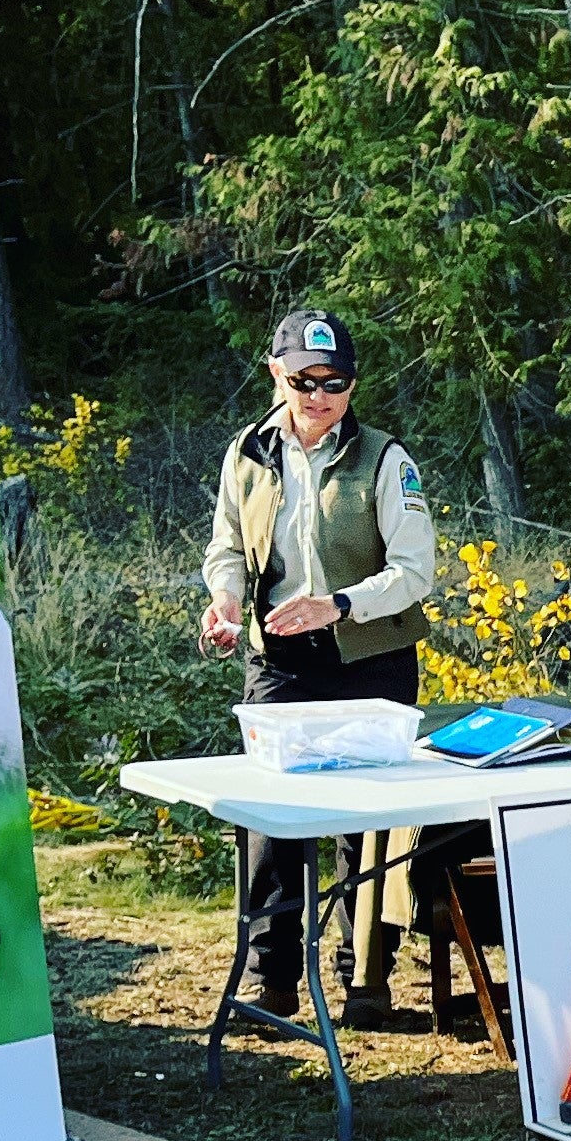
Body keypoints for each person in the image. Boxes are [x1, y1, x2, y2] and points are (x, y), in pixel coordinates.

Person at [200, 307, 436, 1027]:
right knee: (271, 827)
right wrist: (225, 603)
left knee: (367, 830)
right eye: (304, 379)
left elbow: (415, 571)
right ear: (277, 374)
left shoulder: (387, 459)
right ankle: (274, 984)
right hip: (281, 662)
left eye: (335, 381)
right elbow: (226, 547)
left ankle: (366, 985)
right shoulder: (246, 452)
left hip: (370, 657)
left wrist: (337, 604)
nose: (319, 395)